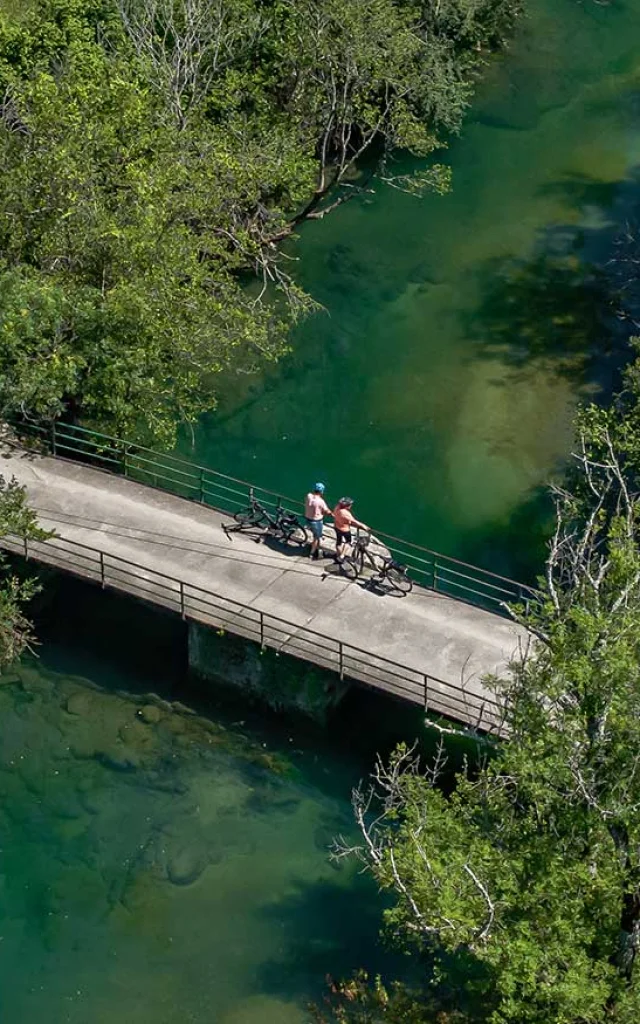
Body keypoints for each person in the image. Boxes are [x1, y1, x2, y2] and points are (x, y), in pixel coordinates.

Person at [333, 497, 368, 562]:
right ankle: (342, 556)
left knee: (338, 542)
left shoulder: (337, 508)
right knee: (348, 542)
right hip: (344, 529)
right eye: (350, 504)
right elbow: (354, 521)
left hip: (336, 527)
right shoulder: (345, 513)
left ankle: (339, 555)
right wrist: (364, 526)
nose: (351, 506)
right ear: (347, 506)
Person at [304, 483, 332, 560]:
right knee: (316, 537)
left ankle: (317, 541)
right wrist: (332, 514)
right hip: (316, 521)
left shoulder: (308, 496)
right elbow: (327, 511)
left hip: (307, 518)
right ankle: (312, 553)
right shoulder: (321, 501)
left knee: (315, 534)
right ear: (321, 491)